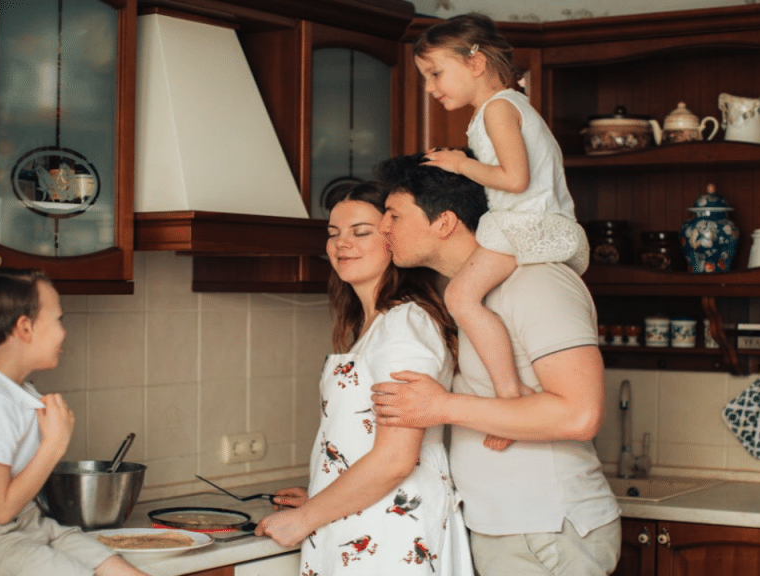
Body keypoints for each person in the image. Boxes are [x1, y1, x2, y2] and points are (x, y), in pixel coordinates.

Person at [371, 153, 620, 576]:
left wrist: (442, 406)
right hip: (506, 529)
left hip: (547, 531)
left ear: (445, 222)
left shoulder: (536, 280)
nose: (383, 227)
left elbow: (580, 414)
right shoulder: (466, 293)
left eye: (394, 215)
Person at [255, 180, 473, 575]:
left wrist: (304, 520)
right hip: (368, 523)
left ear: (393, 239)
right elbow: (364, 439)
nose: (342, 244)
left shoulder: (404, 325)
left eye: (361, 232)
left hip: (394, 536)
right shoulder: (375, 325)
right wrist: (322, 496)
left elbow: (395, 458)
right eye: (333, 233)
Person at [413, 13, 590, 451]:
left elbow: (515, 180)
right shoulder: (504, 108)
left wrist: (458, 163)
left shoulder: (498, 109)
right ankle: (511, 397)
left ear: (475, 63)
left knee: (459, 297)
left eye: (436, 73)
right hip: (530, 224)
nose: (431, 88)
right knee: (476, 299)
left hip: (526, 224)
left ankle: (509, 400)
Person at [0, 268, 149, 576]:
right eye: (58, 319)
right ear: (24, 328)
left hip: (23, 526)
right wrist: (54, 445)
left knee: (117, 568)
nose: (63, 331)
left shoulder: (15, 393)